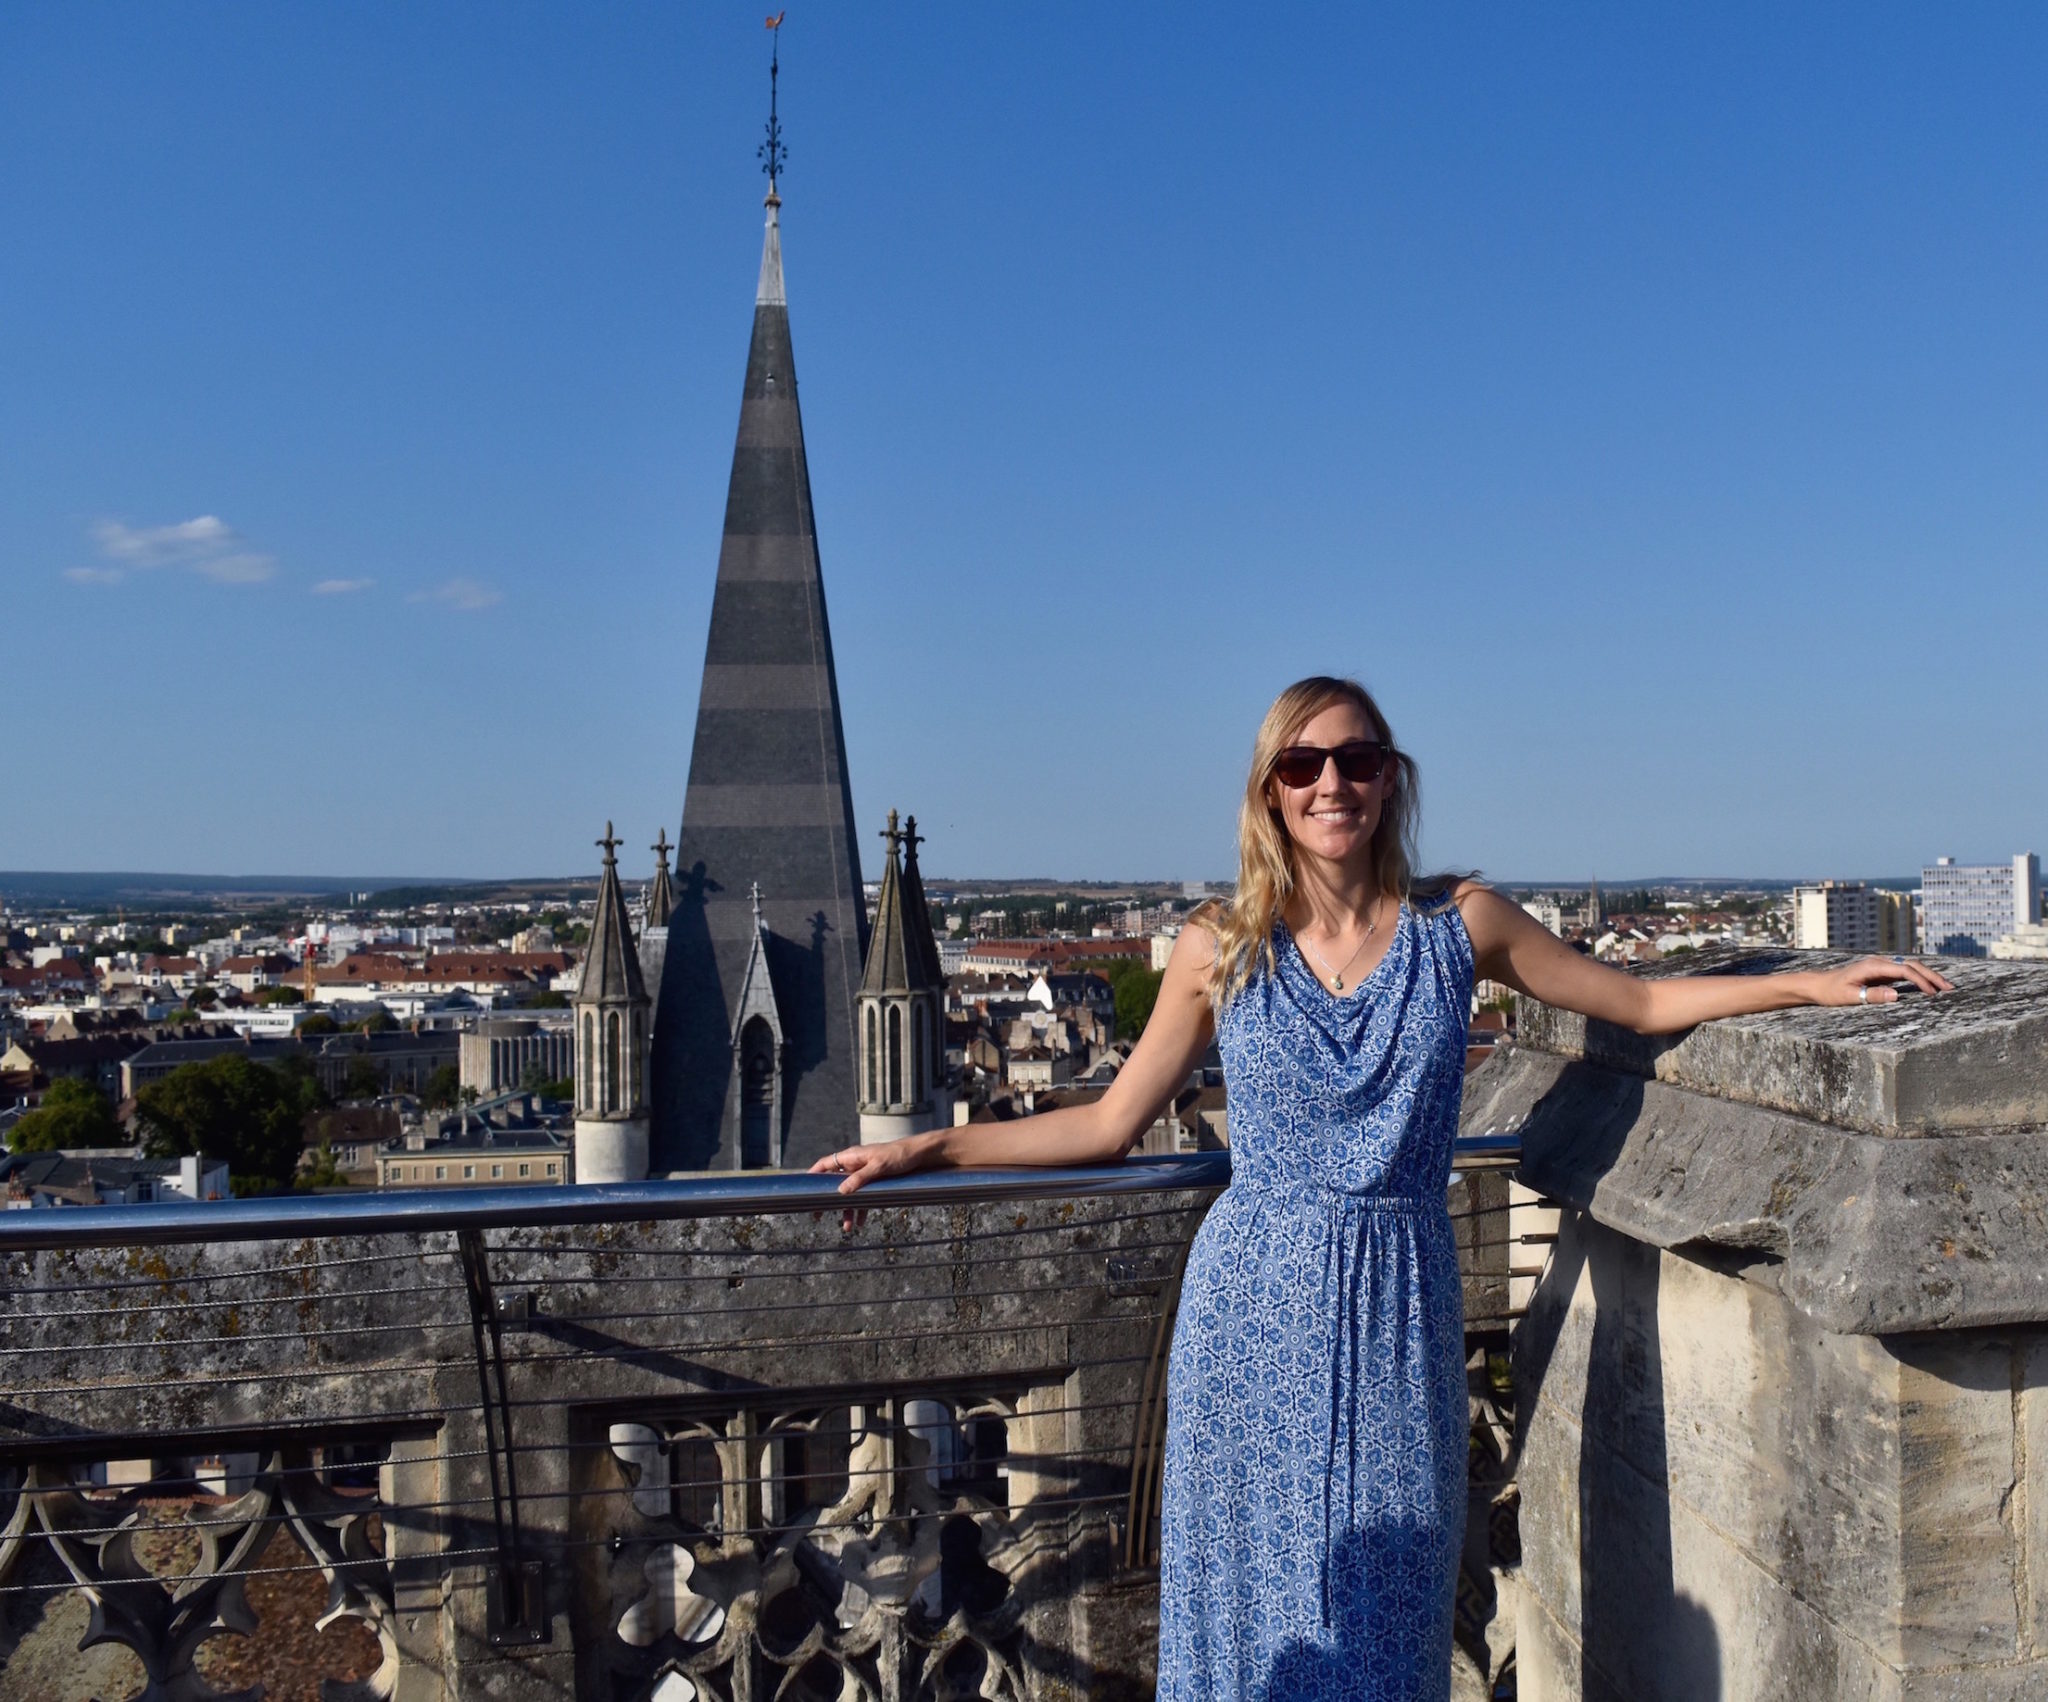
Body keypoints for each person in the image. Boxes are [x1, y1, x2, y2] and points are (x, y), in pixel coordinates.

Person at [811, 675, 1950, 1701]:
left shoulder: (1461, 925)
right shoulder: (1218, 943)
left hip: (1397, 1304)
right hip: (1250, 1309)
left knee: (1385, 1610)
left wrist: (1814, 981)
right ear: (1267, 791)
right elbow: (1110, 1123)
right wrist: (923, 1151)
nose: (1329, 784)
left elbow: (1637, 1003)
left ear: (1389, 779)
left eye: (1355, 760)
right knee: (1255, 1616)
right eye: (1300, 765)